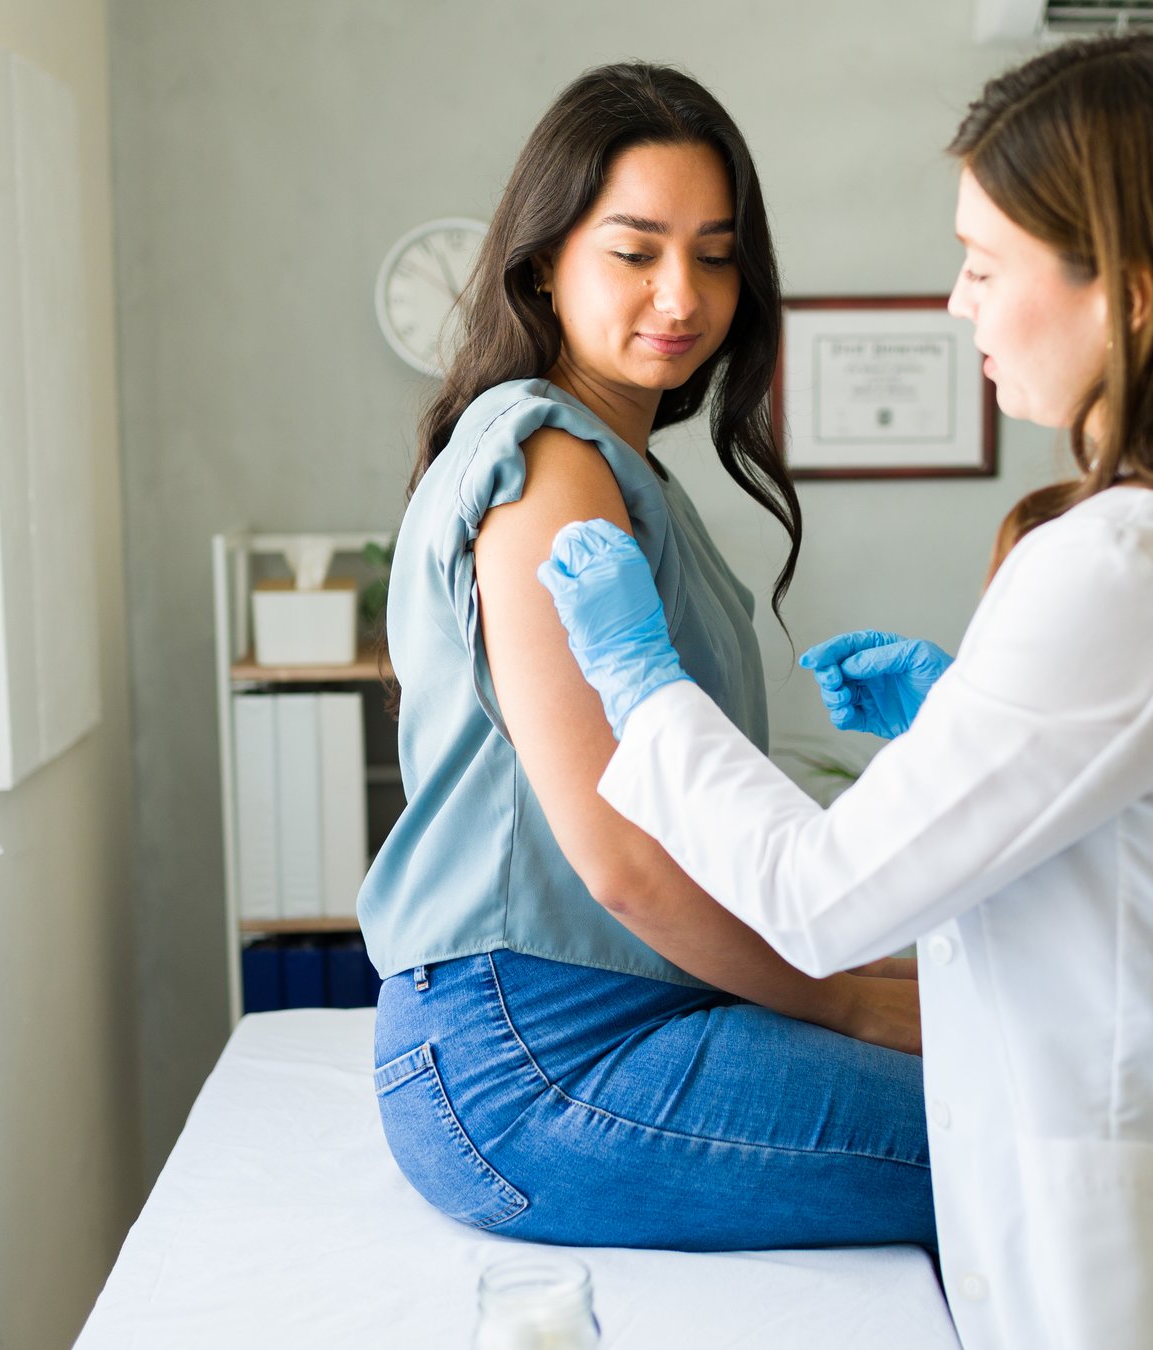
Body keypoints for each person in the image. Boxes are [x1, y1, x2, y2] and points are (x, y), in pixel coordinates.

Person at [537, 34, 1153, 1350]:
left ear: (1128, 295)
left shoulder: (1127, 563)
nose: (958, 304)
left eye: (983, 264)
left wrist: (643, 685)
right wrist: (965, 729)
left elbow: (823, 895)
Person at [356, 63, 935, 1251]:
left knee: (1007, 1068)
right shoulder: (554, 470)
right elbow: (620, 862)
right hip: (536, 1056)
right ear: (543, 263)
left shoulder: (615, 463)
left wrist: (874, 971)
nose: (683, 294)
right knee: (1026, 1137)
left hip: (620, 1012)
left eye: (716, 254)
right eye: (636, 251)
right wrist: (847, 1005)